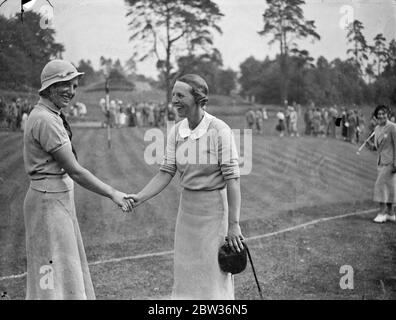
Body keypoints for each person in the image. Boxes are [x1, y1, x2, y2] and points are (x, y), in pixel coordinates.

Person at [23, 59, 134, 300]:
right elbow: (75, 170)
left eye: (74, 86)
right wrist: (113, 193)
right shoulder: (45, 120)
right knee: (51, 272)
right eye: (66, 85)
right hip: (47, 202)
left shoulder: (50, 115)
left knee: (64, 270)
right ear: (51, 86)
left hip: (54, 199)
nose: (72, 92)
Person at [127, 74, 244, 300]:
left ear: (198, 98)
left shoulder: (219, 130)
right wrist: (140, 197)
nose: (174, 100)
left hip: (214, 212)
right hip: (187, 212)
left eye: (180, 95)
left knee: (213, 274)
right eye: (173, 95)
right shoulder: (176, 131)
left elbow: (233, 179)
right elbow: (165, 172)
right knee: (186, 272)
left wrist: (234, 225)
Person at [367, 105, 396, 223]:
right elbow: (378, 147)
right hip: (380, 162)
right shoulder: (377, 128)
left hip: (390, 162)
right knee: (389, 186)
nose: (381, 116)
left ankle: (382, 213)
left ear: (387, 114)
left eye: (383, 113)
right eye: (379, 114)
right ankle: (391, 213)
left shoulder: (393, 127)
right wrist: (371, 146)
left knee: (380, 185)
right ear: (376, 116)